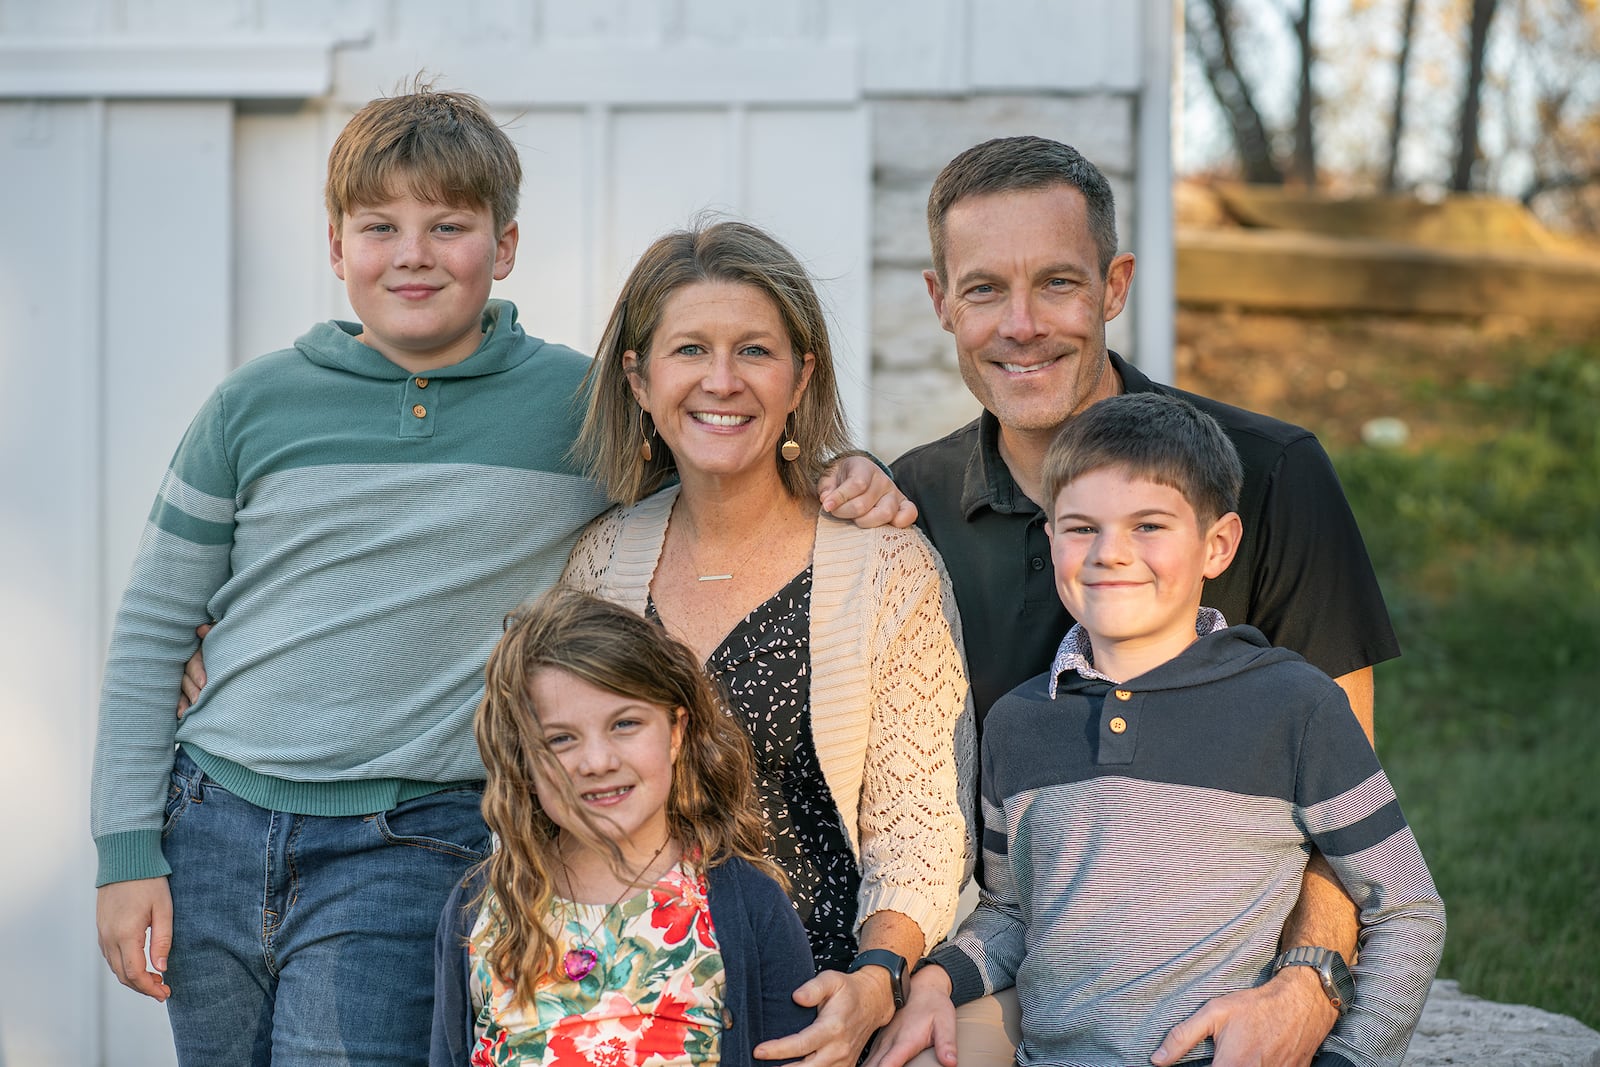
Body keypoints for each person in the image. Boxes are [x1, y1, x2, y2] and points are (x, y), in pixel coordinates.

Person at [91, 83, 907, 1067]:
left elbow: (715, 448)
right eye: (379, 225)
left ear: (504, 245)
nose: (413, 252)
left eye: (449, 224)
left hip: (412, 836)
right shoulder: (253, 406)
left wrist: (836, 472)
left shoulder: (572, 409)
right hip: (215, 819)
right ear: (336, 245)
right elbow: (151, 627)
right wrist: (127, 848)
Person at [889, 136, 1400, 1065]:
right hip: (1018, 957)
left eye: (1058, 283)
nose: (1022, 324)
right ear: (939, 302)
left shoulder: (1270, 474)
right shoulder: (907, 503)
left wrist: (1310, 978)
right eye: (983, 290)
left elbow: (1351, 780)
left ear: (1115, 286)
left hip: (1225, 970)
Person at [869, 392, 1445, 1067]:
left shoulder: (1293, 704)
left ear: (1218, 544)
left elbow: (1405, 907)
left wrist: (1349, 1058)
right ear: (1051, 538)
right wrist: (938, 978)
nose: (1112, 553)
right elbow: (1013, 915)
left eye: (1149, 526)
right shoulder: (1020, 724)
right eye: (1082, 527)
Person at [560, 219, 974, 1067]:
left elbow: (921, 826)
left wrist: (877, 978)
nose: (722, 381)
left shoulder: (886, 565)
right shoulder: (600, 560)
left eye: (754, 350)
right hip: (625, 995)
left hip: (820, 1001)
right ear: (639, 378)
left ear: (801, 376)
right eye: (689, 351)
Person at [431, 586, 817, 1066]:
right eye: (561, 739)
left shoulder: (746, 904)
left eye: (625, 724)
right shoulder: (484, 910)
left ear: (676, 732)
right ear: (524, 765)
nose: (597, 761)